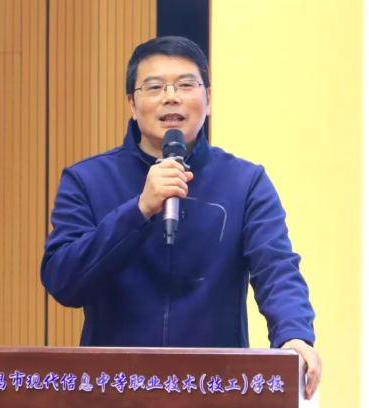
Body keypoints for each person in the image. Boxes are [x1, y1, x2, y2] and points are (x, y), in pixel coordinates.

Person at [40, 35, 322, 399]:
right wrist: (139, 210)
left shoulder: (245, 182)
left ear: (209, 99)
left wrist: (294, 334)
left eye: (186, 85)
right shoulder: (86, 180)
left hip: (214, 389)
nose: (171, 97)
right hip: (116, 390)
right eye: (154, 87)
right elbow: (63, 281)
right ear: (132, 104)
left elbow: (276, 268)